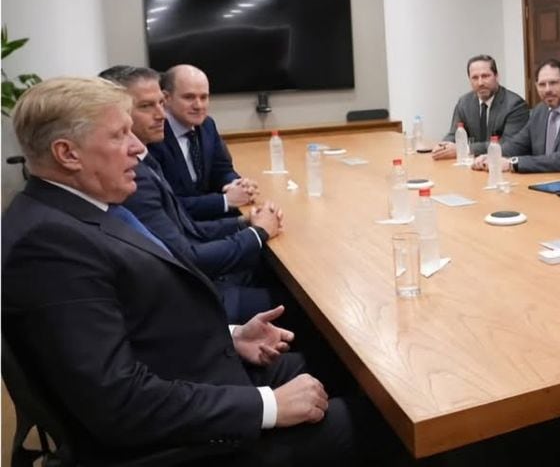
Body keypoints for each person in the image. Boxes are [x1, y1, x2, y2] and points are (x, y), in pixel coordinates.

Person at [1, 77, 359, 465]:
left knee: (346, 371)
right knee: (376, 423)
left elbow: (134, 323)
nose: (139, 148)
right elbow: (118, 403)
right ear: (67, 153)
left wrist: (232, 334)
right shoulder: (48, 248)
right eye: (120, 135)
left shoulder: (80, 211)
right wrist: (267, 406)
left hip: (200, 372)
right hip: (192, 439)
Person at [100, 65, 285, 322]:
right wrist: (258, 232)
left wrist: (243, 221)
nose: (160, 114)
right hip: (196, 298)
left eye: (160, 104)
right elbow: (188, 255)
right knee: (296, 301)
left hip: (199, 270)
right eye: (146, 106)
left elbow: (188, 228)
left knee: (277, 271)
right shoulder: (132, 175)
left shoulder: (146, 157)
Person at [147, 64, 258, 220]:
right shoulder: (153, 135)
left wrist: (235, 184)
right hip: (184, 225)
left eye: (204, 97)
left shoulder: (207, 125)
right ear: (166, 98)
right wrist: (225, 201)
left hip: (211, 215)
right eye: (189, 97)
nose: (198, 105)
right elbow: (168, 204)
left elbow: (222, 169)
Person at [471, 59, 560, 173]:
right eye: (542, 84)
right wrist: (491, 156)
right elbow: (518, 144)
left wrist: (513, 163)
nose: (547, 90)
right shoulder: (540, 110)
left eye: (553, 83)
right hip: (542, 182)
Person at [432, 54, 529, 159]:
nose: (480, 83)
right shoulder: (464, 103)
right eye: (475, 77)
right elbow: (454, 134)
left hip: (501, 167)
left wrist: (466, 149)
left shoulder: (515, 105)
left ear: (497, 76)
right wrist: (444, 146)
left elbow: (509, 145)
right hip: (473, 166)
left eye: (485, 76)